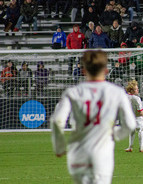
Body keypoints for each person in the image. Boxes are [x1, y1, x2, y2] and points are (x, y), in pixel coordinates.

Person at [51, 50, 136, 184]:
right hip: (101, 156)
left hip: (77, 155)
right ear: (106, 70)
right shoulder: (116, 92)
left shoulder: (72, 92)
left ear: (84, 70)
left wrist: (59, 147)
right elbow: (130, 124)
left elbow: (57, 120)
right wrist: (115, 135)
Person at [124, 80, 143, 153]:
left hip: (130, 117)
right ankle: (141, 148)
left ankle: (130, 147)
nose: (138, 89)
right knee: (140, 131)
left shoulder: (125, 97)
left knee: (132, 131)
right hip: (138, 117)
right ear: (131, 90)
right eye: (136, 89)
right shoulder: (137, 98)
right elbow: (140, 110)